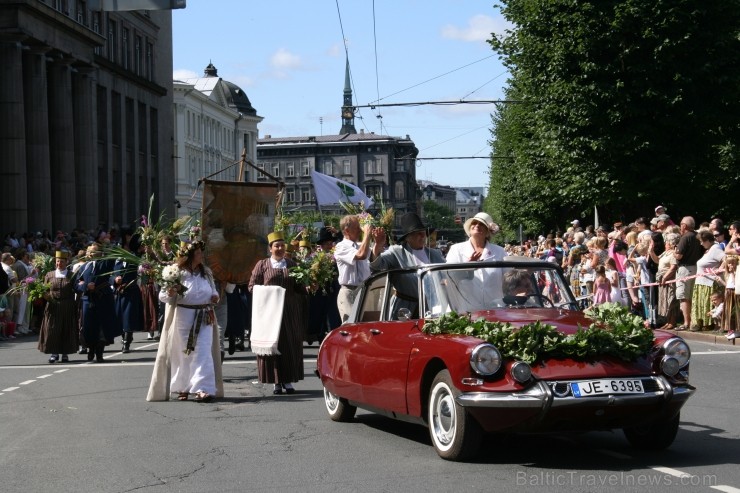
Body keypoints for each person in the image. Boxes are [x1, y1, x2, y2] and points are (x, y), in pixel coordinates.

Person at [147, 240, 223, 402]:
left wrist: (214, 297)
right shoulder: (177, 272)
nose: (201, 255)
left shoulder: (206, 272)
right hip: (183, 317)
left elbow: (213, 292)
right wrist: (171, 292)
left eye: (202, 252)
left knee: (202, 352)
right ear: (189, 256)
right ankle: (183, 387)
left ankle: (202, 388)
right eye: (198, 253)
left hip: (204, 317)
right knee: (183, 353)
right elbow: (163, 296)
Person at [248, 231, 307, 395]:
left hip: (289, 310)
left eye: (282, 245)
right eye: (276, 246)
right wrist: (271, 292)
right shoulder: (263, 265)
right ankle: (275, 382)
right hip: (270, 312)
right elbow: (252, 287)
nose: (280, 248)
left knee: (288, 344)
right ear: (270, 248)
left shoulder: (291, 264)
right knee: (273, 344)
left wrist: (309, 287)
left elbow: (299, 287)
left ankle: (287, 380)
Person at [370, 212, 446, 318]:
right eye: (417, 233)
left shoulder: (434, 254)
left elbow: (447, 275)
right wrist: (377, 245)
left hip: (432, 308)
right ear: (408, 238)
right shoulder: (396, 252)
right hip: (405, 311)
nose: (423, 235)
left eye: (423, 232)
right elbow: (376, 265)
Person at [75, 243, 118, 362]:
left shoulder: (104, 264)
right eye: (89, 252)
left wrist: (108, 244)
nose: (90, 254)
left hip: (103, 299)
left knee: (101, 328)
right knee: (89, 327)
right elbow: (76, 284)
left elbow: (112, 257)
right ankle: (91, 349)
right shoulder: (84, 268)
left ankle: (100, 352)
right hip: (89, 301)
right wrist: (85, 287)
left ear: (99, 253)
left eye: (93, 252)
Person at [38, 250, 78, 363]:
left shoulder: (71, 275)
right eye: (57, 261)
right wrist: (45, 295)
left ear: (66, 262)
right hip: (52, 306)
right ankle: (54, 353)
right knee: (52, 329)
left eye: (61, 261)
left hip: (67, 306)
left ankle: (65, 353)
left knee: (66, 329)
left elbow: (77, 289)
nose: (59, 263)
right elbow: (44, 290)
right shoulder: (49, 274)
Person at [334, 215, 374, 322]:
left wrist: (379, 241)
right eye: (357, 228)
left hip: (364, 291)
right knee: (352, 327)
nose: (360, 230)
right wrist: (367, 234)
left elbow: (374, 257)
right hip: (350, 292)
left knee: (367, 326)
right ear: (347, 231)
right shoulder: (341, 246)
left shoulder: (360, 245)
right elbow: (361, 255)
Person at [113, 231, 144, 353]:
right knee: (120, 318)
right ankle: (124, 337)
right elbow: (110, 275)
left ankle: (126, 342)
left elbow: (139, 250)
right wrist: (115, 279)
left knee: (128, 317)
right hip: (120, 292)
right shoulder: (116, 261)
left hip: (131, 291)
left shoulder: (134, 257)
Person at [690, 230, 725, 331]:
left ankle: (709, 323)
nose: (701, 243)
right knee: (700, 304)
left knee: (708, 303)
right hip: (701, 282)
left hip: (709, 283)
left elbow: (725, 258)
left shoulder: (715, 248)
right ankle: (700, 322)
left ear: (708, 240)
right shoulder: (709, 250)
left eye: (702, 241)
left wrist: (719, 269)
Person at [674, 217, 704, 331]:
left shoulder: (685, 237)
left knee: (683, 297)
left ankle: (687, 323)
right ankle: (694, 322)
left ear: (684, 226)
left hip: (685, 269)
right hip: (696, 268)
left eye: (681, 224)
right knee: (692, 296)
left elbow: (679, 255)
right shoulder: (697, 236)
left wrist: (674, 252)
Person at [656, 233, 681, 330]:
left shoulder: (673, 253)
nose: (665, 243)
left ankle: (672, 322)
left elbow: (673, 267)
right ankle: (668, 321)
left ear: (671, 243)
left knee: (671, 300)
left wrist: (665, 277)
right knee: (665, 301)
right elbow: (657, 261)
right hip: (663, 280)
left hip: (670, 280)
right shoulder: (664, 253)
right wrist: (651, 252)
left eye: (666, 241)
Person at [721, 255, 738, 340]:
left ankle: (736, 330)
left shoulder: (736, 273)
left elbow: (736, 283)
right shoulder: (728, 274)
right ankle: (731, 330)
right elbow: (727, 285)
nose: (730, 265)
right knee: (728, 312)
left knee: (734, 312)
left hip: (734, 293)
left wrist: (734, 272)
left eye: (732, 263)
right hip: (728, 293)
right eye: (729, 263)